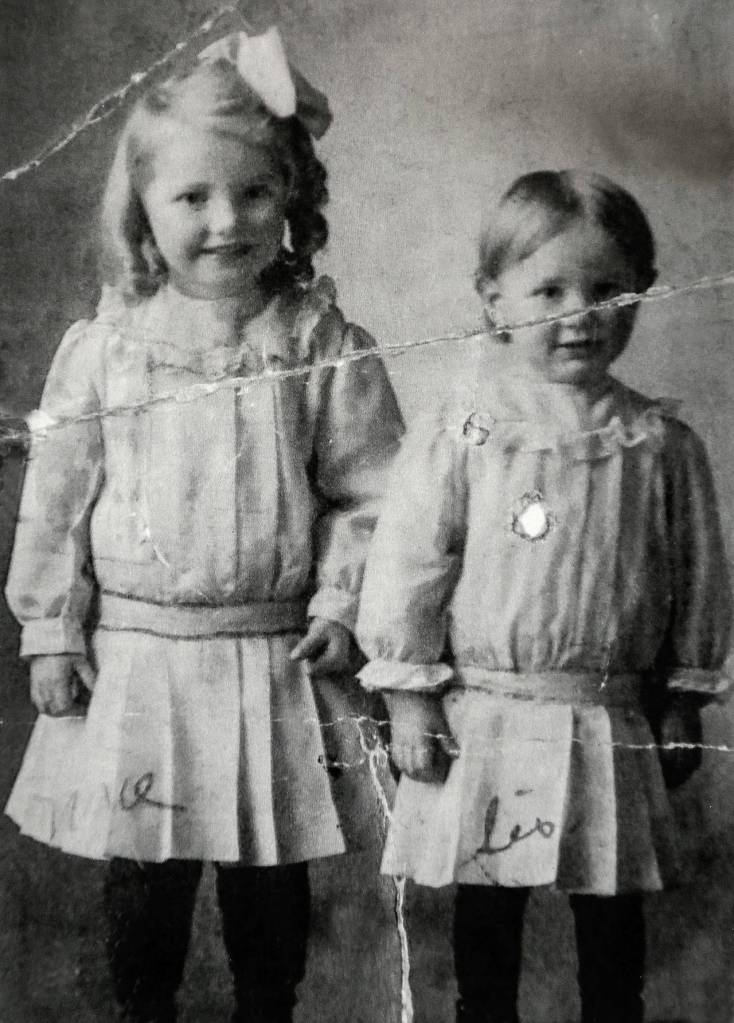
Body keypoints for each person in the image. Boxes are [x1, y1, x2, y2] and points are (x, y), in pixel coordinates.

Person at [5, 26, 403, 1023]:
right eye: (192, 197)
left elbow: (374, 495)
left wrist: (345, 600)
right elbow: (55, 501)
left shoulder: (321, 347)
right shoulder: (103, 352)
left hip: (272, 661)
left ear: (291, 200)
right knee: (145, 899)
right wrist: (51, 627)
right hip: (138, 664)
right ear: (141, 209)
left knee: (268, 897)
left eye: (253, 193)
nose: (225, 221)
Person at [356, 170, 731, 1023]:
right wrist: (409, 698)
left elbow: (698, 575)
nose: (581, 313)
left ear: (641, 292)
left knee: (612, 929)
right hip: (485, 714)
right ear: (494, 300)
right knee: (488, 931)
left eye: (607, 289)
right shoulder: (465, 429)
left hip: (609, 717)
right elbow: (412, 562)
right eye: (550, 290)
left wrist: (682, 700)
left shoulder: (660, 442)